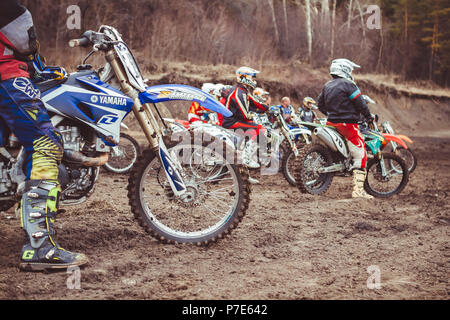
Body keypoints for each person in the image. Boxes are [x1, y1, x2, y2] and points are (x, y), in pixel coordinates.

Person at [0, 0, 88, 270]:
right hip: (5, 75)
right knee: (47, 144)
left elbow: (22, 47)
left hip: (12, 70)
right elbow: (20, 39)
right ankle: (39, 249)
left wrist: (38, 70)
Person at [317, 58, 374, 199]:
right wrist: (368, 117)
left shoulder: (327, 85)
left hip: (330, 123)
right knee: (361, 155)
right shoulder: (349, 85)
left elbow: (320, 105)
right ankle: (358, 191)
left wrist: (331, 114)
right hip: (348, 125)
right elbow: (360, 103)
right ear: (345, 69)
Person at [222, 67, 269, 171]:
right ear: (245, 78)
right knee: (260, 129)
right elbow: (244, 115)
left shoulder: (243, 90)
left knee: (254, 127)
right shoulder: (239, 92)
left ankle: (243, 157)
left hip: (235, 120)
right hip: (231, 122)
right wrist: (254, 114)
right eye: (252, 78)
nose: (254, 80)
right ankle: (247, 158)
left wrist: (265, 108)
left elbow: (254, 101)